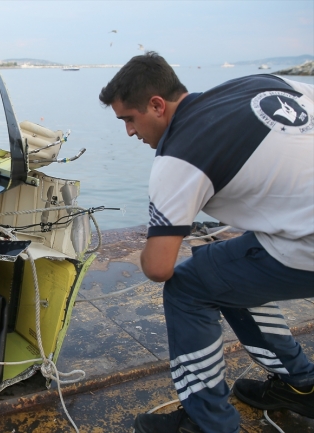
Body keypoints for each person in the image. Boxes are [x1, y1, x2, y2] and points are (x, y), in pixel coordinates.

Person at [99, 52, 314, 433]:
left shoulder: (179, 155)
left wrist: (156, 237)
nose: (130, 133)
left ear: (157, 105)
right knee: (222, 268)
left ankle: (207, 422)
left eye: (129, 120)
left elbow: (159, 267)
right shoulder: (257, 84)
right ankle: (302, 386)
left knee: (188, 286)